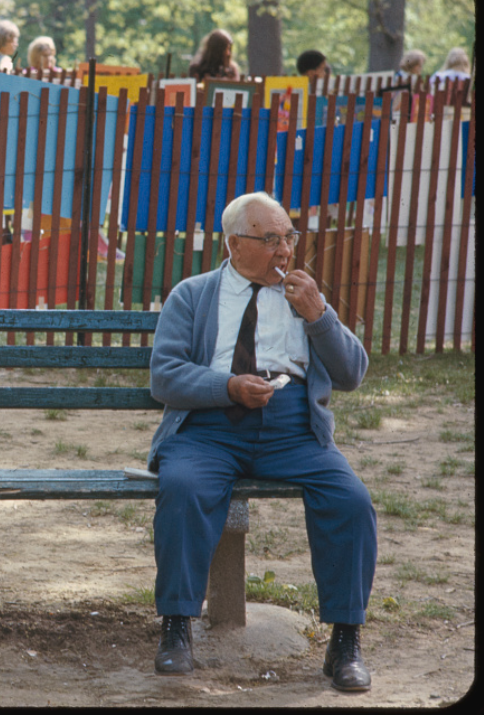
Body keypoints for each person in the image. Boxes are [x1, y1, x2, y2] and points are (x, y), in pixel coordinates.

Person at [147, 191, 376, 692]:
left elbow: (353, 373)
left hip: (294, 429)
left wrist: (320, 317)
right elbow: (164, 377)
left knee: (351, 500)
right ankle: (177, 628)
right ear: (234, 244)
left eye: (288, 237)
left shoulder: (304, 296)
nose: (284, 251)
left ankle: (345, 641)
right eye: (269, 239)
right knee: (183, 488)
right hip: (210, 429)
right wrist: (225, 386)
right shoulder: (193, 294)